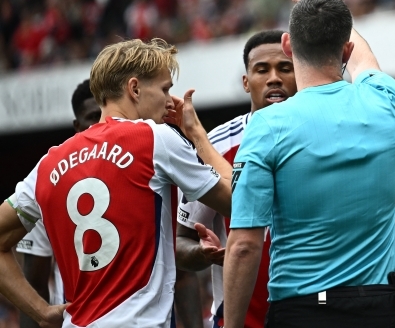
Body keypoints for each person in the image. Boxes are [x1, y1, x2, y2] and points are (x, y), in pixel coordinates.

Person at [0, 38, 232, 327]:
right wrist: (196, 133)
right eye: (164, 89)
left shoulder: (49, 163)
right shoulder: (155, 139)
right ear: (134, 88)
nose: (170, 101)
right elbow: (237, 199)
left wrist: (42, 312)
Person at [223, 0, 395, 328]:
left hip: (303, 311)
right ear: (346, 46)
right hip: (382, 308)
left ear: (288, 46)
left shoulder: (267, 124)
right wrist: (326, 3)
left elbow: (244, 245)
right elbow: (364, 59)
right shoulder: (387, 98)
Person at [175, 29, 298, 328]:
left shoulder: (322, 137)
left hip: (312, 312)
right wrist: (202, 254)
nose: (274, 78)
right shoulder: (215, 145)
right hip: (238, 320)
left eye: (285, 68)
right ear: (246, 82)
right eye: (262, 70)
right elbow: (180, 242)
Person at [17, 79, 101, 328]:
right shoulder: (48, 178)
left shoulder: (141, 167)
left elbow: (180, 276)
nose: (98, 125)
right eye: (91, 117)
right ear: (77, 126)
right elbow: (35, 283)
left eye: (104, 115)